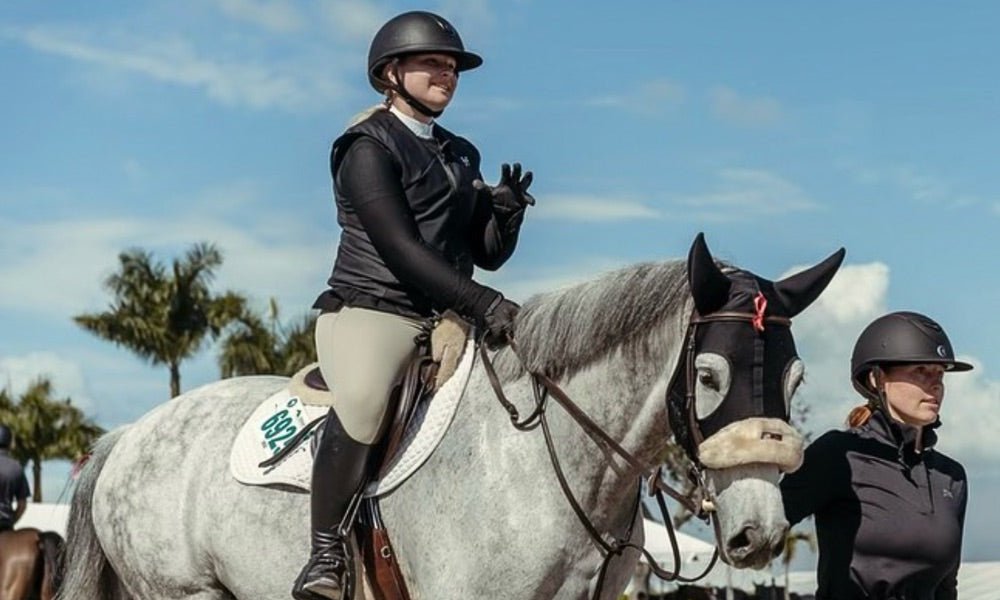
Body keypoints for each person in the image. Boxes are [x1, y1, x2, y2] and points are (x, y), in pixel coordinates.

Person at [293, 10, 534, 600]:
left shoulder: (460, 153)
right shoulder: (366, 147)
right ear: (390, 72)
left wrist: (504, 216)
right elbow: (401, 249)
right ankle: (324, 555)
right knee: (365, 399)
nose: (446, 74)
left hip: (447, 318)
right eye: (432, 63)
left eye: (452, 67)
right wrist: (483, 303)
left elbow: (485, 254)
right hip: (374, 312)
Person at [780, 311, 971, 599]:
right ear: (877, 378)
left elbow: (946, 588)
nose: (935, 384)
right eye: (920, 370)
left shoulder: (951, 477)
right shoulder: (838, 454)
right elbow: (761, 525)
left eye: (940, 373)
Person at [0, 424, 30, 533]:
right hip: (5, 525)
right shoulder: (17, 467)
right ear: (9, 443)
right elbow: (22, 505)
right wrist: (11, 521)